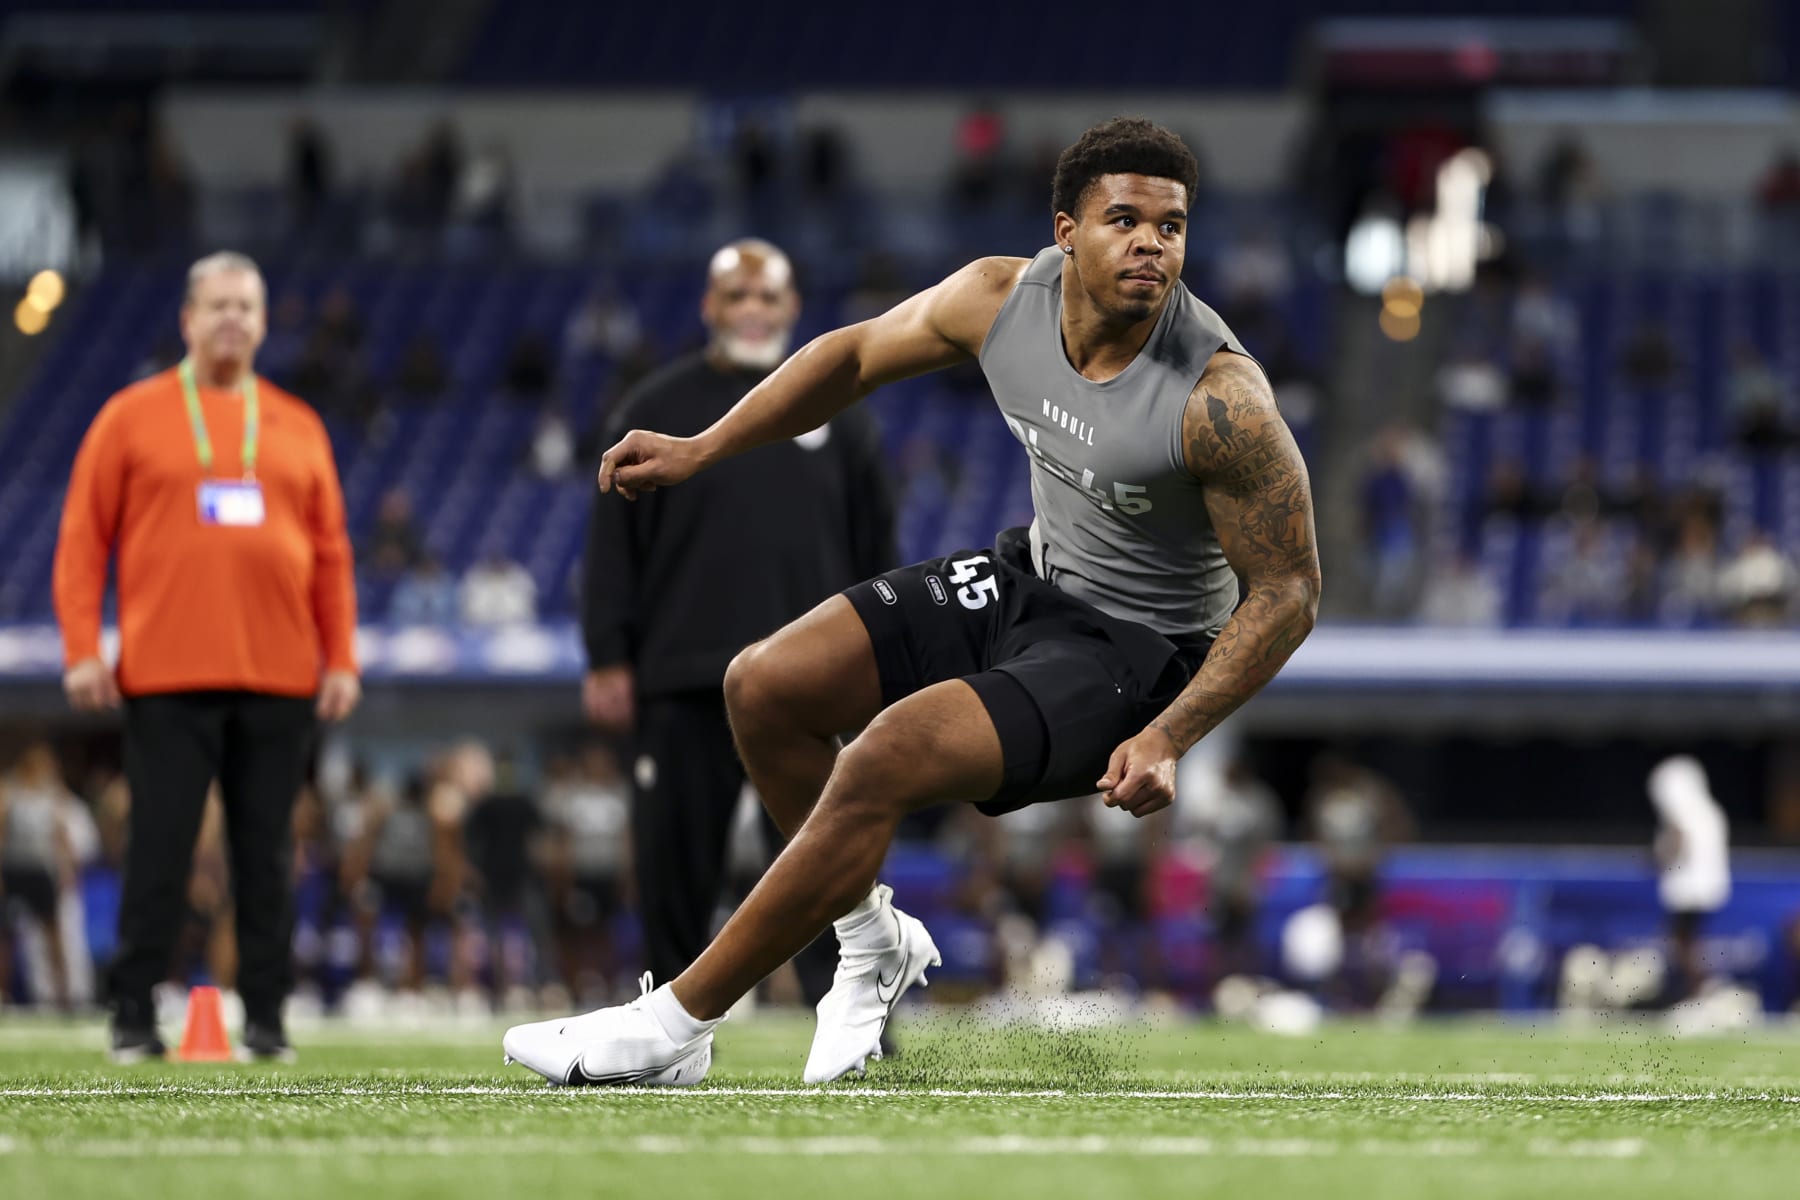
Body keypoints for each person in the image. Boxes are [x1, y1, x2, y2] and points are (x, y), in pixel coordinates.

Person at [507, 117, 1318, 1087]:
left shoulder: (1220, 399)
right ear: (1066, 232)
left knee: (887, 751)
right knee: (765, 686)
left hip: (1137, 651)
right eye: (1125, 219)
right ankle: (872, 940)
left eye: (1173, 226)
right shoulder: (999, 299)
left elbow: (1290, 591)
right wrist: (700, 449)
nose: (1153, 243)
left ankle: (674, 1023)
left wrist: (1171, 735)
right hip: (1028, 579)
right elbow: (850, 359)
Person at [53, 250, 360, 1061]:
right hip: (166, 674)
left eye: (246, 307)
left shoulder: (296, 422)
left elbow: (331, 553)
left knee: (265, 856)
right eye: (217, 305)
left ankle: (265, 1018)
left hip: (281, 675)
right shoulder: (130, 415)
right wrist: (84, 649)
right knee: (158, 848)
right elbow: (83, 541)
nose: (232, 319)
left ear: (263, 323)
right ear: (187, 319)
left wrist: (342, 659)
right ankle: (130, 1018)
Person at [578, 238, 896, 1000]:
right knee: (673, 866)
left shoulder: (840, 413)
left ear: (791, 308)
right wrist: (606, 656)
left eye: (767, 298)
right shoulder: (654, 407)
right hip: (684, 672)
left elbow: (877, 546)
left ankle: (853, 1018)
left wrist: (883, 656)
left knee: (831, 859)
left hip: (810, 685)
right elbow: (612, 544)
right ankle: (663, 1025)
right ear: (708, 309)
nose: (752, 312)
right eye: (737, 298)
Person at [1649, 756, 1731, 1003]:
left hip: (1690, 888)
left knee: (1683, 942)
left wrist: (1660, 858)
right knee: (1687, 941)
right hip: (1706, 885)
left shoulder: (1686, 812)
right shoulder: (1710, 811)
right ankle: (1699, 991)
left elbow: (1677, 841)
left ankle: (1702, 991)